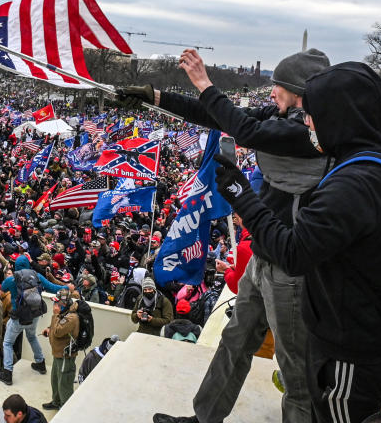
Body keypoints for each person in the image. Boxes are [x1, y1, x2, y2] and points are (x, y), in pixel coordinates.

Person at [124, 48, 330, 423]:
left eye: (278, 87)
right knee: (234, 343)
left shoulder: (310, 132)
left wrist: (204, 82)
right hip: (265, 255)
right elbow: (218, 116)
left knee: (296, 371)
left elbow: (246, 130)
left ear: (299, 93)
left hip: (293, 267)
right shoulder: (284, 116)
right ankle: (204, 419)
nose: (271, 95)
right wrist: (154, 97)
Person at [208, 62, 381, 423]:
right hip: (365, 337)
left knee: (304, 391)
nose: (305, 123)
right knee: (239, 341)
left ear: (339, 116)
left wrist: (241, 194)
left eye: (313, 114)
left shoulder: (354, 183)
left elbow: (293, 253)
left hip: (355, 348)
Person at [0, 254, 66, 385]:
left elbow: (2, 288)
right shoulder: (37, 276)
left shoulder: (12, 279)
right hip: (34, 314)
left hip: (19, 317)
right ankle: (40, 363)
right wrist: (68, 288)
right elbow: (52, 287)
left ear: (15, 266)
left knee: (7, 343)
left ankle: (7, 373)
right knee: (32, 336)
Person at [40, 287, 80, 411]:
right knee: (55, 380)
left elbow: (58, 331)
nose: (54, 305)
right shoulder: (65, 313)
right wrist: (49, 329)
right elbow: (56, 326)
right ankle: (56, 402)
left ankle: (65, 409)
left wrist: (55, 314)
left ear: (63, 303)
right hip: (58, 353)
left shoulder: (72, 317)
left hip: (65, 356)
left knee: (64, 384)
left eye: (57, 302)